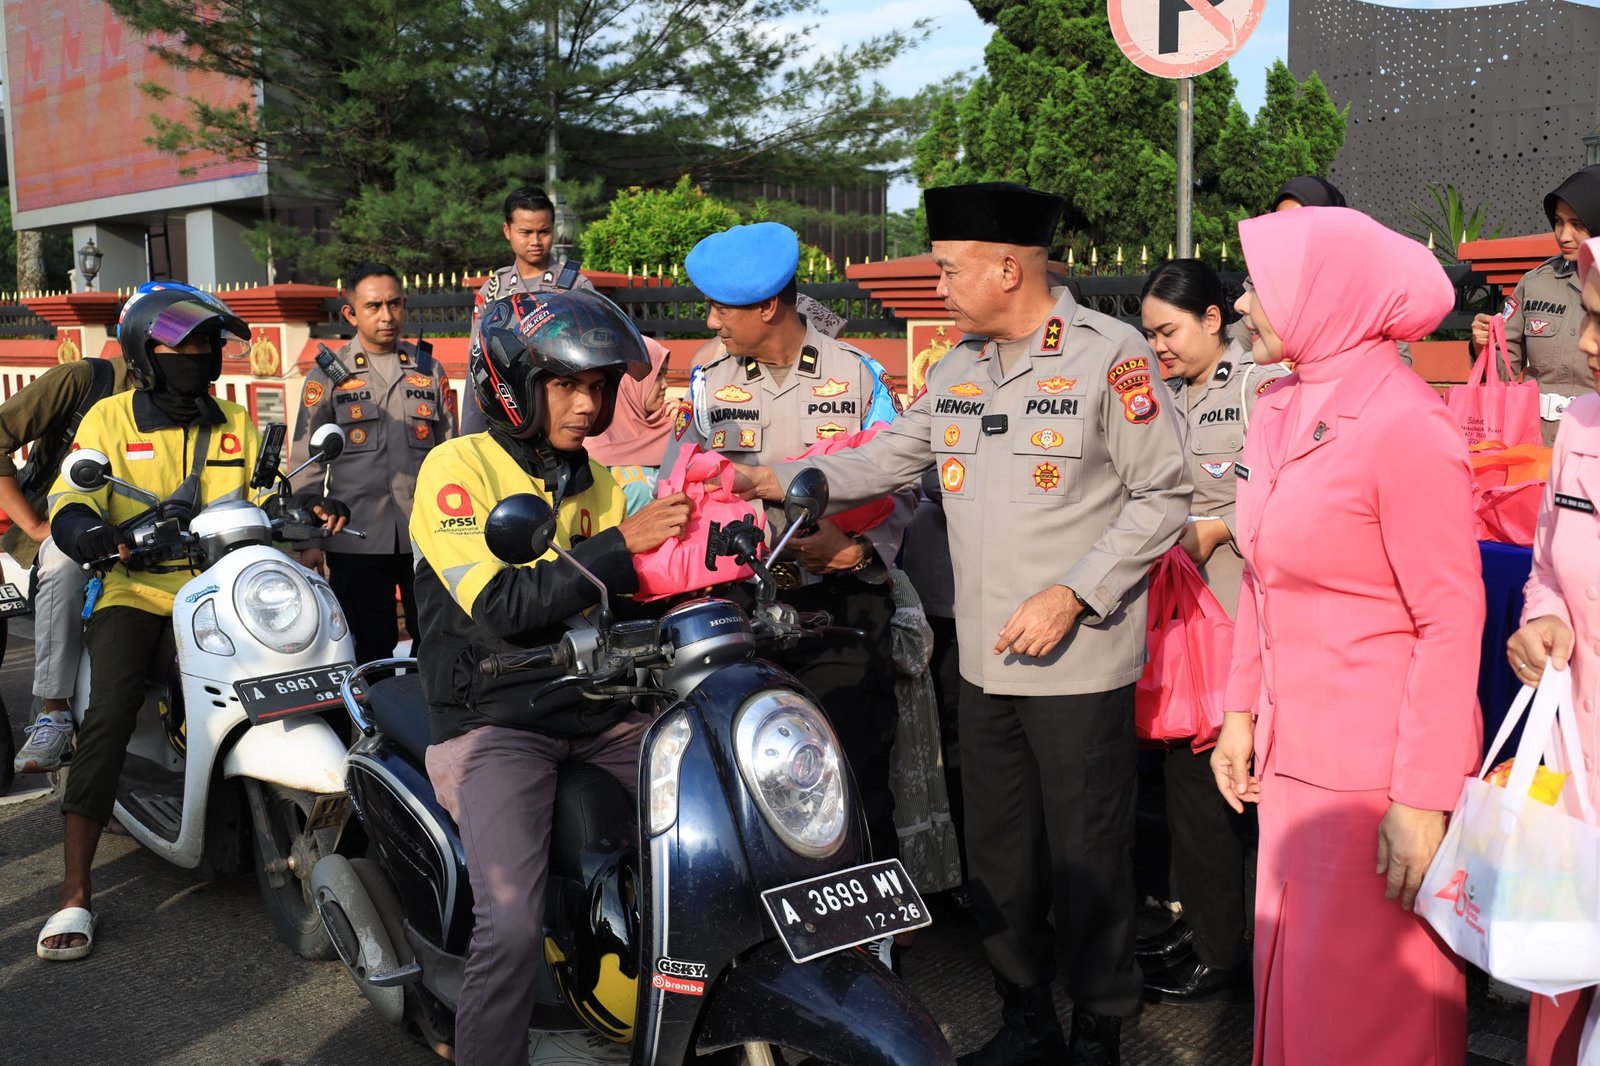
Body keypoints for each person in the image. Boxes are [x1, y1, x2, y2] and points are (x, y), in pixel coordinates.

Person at [738, 182, 1192, 1066]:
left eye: (948, 270)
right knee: (1000, 859)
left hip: (1076, 663)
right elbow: (887, 455)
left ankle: (1099, 1032)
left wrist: (1071, 593)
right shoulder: (958, 367)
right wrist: (779, 476)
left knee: (1090, 862)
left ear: (1008, 267)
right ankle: (1024, 1019)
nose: (938, 287)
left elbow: (1164, 496)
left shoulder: (1113, 358)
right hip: (981, 661)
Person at [1209, 207, 1484, 1065]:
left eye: (1262, 284)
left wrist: (1420, 797)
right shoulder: (1277, 404)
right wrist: (1240, 713)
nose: (1245, 301)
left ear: (1323, 295)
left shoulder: (1408, 427)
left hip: (1377, 780)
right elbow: (1260, 572)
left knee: (1370, 1016)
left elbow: (1450, 617)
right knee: (1295, 994)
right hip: (1291, 763)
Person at [410, 288, 690, 1066]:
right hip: (495, 718)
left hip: (594, 708)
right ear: (514, 384)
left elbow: (634, 583)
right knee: (507, 916)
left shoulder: (595, 478)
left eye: (598, 387)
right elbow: (504, 603)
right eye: (567, 384)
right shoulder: (457, 468)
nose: (586, 402)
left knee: (716, 814)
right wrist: (623, 546)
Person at [35, 283, 348, 960]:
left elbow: (266, 493)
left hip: (225, 592)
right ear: (148, 355)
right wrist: (88, 530)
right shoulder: (110, 422)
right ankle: (74, 890)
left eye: (210, 345)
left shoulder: (234, 421)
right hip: (138, 592)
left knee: (322, 665)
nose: (202, 356)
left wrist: (308, 510)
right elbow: (73, 495)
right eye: (188, 346)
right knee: (112, 712)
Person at [663, 220, 912, 864]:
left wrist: (859, 553)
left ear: (767, 306)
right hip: (744, 603)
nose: (712, 321)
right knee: (751, 763)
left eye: (721, 307)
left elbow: (907, 482)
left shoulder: (858, 377)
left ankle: (873, 929)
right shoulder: (708, 378)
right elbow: (691, 479)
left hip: (842, 600)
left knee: (854, 760)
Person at [1135, 259, 1287, 1003]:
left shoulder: (1259, 387)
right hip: (1174, 623)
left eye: (1169, 330)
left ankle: (1226, 952)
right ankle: (1205, 926)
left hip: (1241, 618)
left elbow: (1284, 493)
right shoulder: (1155, 395)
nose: (1158, 346)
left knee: (1217, 784)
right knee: (1182, 783)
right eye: (1149, 334)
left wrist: (1216, 527)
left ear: (1214, 321)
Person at [1505, 231, 1600, 1066]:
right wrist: (1540, 620)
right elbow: (1546, 566)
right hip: (1575, 786)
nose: (1586, 343)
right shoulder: (1584, 426)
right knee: (1562, 1013)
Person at [289, 263, 455, 666]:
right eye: (374, 306)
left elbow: (451, 452)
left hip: (425, 537)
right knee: (367, 648)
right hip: (355, 534)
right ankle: (373, 726)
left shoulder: (428, 369)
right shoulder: (328, 374)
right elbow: (306, 462)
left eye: (395, 304)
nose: (386, 315)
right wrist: (307, 540)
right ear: (351, 313)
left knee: (437, 639)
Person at [2, 353, 134, 774]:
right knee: (61, 565)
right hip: (69, 521)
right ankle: (54, 709)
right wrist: (36, 523)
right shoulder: (82, 381)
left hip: (145, 529)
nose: (194, 356)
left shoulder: (191, 399)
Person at [1470, 164, 1600, 445]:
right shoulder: (1534, 283)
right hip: (1532, 444)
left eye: (1578, 224)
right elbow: (1503, 370)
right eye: (1558, 221)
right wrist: (1483, 347)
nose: (1564, 236)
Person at [460, 186, 597, 434]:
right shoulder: (492, 290)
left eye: (543, 232)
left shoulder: (575, 286)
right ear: (507, 231)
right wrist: (470, 431)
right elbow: (476, 362)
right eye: (526, 232)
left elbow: (592, 363)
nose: (535, 241)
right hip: (502, 415)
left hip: (555, 418)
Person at [582, 337, 674, 514]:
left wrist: (687, 427)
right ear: (629, 380)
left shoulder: (672, 429)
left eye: (665, 374)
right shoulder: (590, 443)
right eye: (657, 376)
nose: (665, 385)